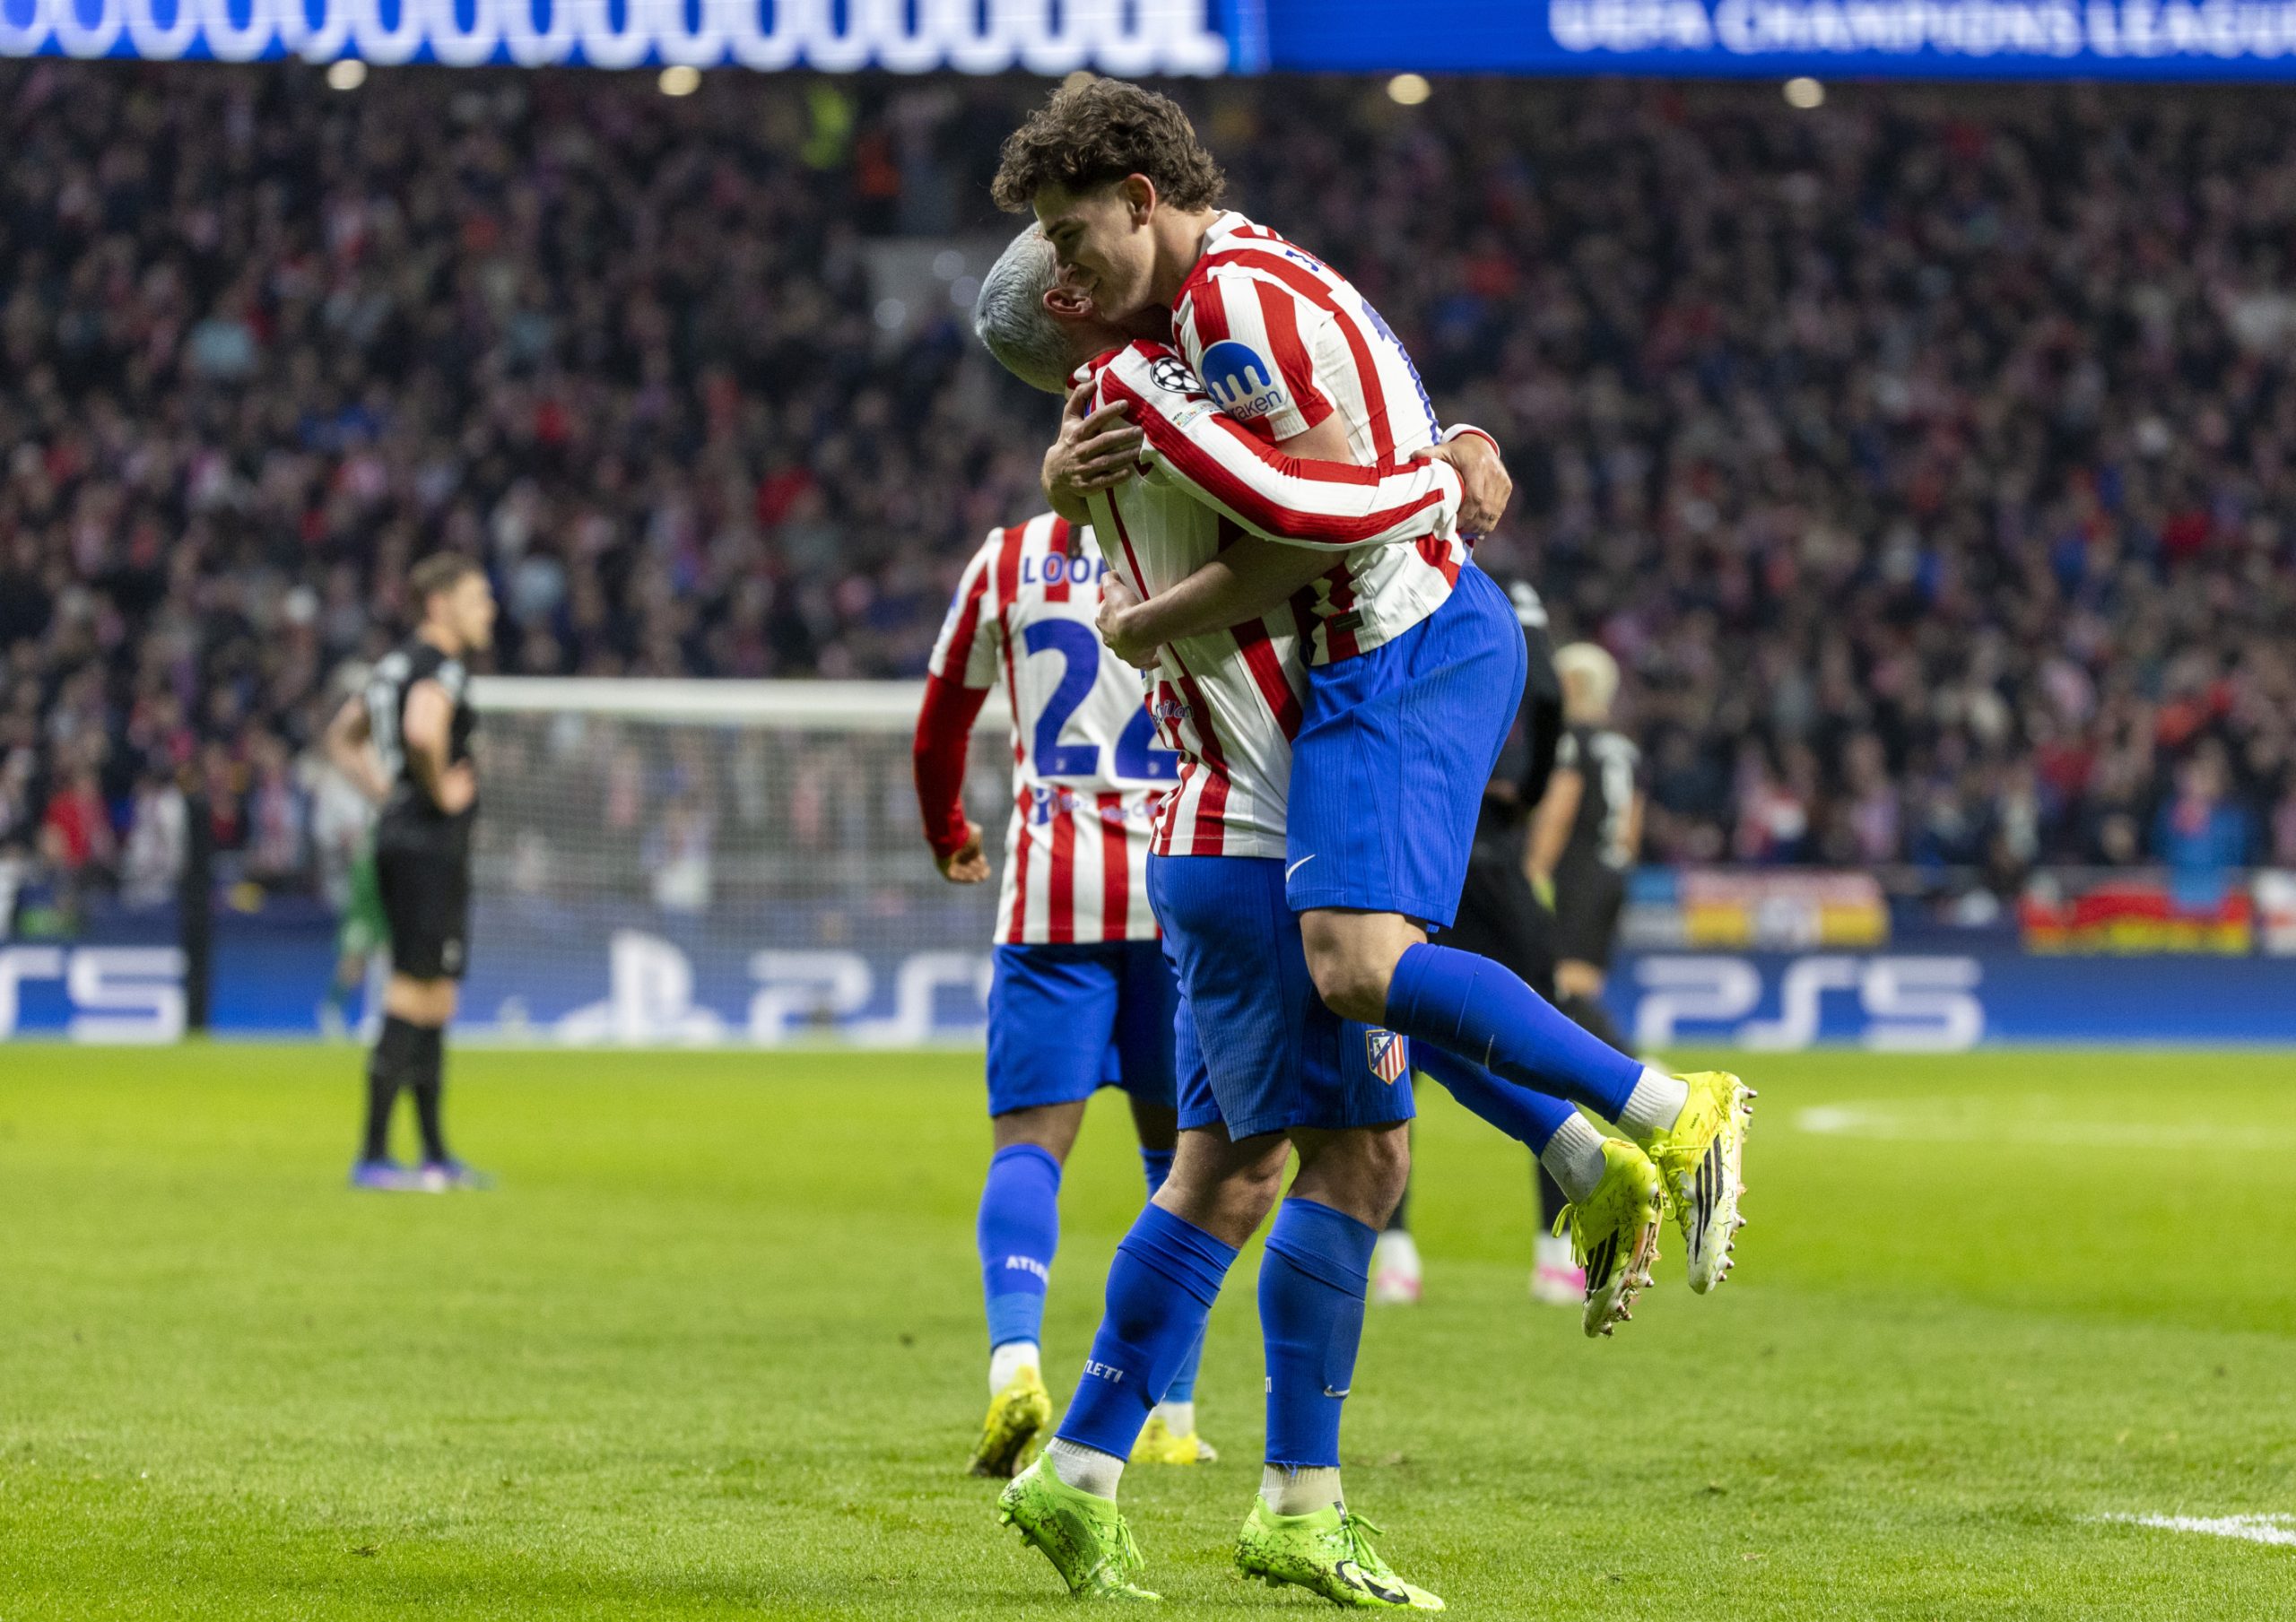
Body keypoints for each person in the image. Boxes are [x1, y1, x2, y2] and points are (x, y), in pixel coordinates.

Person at [997, 79, 1751, 1326]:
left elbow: (1303, 515)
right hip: (1319, 716)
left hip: (1354, 693)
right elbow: (1348, 422)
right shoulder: (1197, 319)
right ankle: (1587, 1154)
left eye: (1072, 237)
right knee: (1340, 1059)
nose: (1067, 266)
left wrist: (1424, 477)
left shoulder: (1200, 331)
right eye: (1059, 264)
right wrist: (1450, 448)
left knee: (1295, 1108)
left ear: (1137, 205)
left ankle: (1655, 1119)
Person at [975, 227, 1649, 1609]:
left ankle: (1084, 1471)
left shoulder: (1104, 446)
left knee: (1224, 1173)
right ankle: (1296, 1502)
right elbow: (1308, 519)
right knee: (1357, 1154)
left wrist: (1446, 430)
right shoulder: (1170, 415)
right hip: (1282, 828)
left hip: (1211, 837)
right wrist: (1435, 466)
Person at [912, 508, 1217, 1478]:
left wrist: (947, 827)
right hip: (1181, 886)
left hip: (1053, 895)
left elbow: (940, 720)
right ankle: (1170, 1414)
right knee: (1184, 1163)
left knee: (1030, 1153)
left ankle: (1015, 1364)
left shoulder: (1004, 556)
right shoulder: (1195, 537)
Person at [1369, 579, 1587, 1312]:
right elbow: (1551, 693)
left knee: (1392, 1059)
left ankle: (1394, 1254)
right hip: (1498, 860)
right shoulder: (1511, 592)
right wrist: (1525, 789)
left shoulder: (1398, 566)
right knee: (1541, 1053)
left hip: (1421, 854)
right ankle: (1556, 1255)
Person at [324, 554, 496, 1194]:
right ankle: (374, 1154)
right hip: (429, 843)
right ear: (439, 604)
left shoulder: (392, 664)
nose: (489, 610)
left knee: (436, 992)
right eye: (478, 598)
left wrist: (385, 793)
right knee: (412, 990)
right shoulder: (439, 665)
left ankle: (433, 1153)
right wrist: (434, 792)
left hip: (402, 836)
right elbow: (426, 732)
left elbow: (341, 735)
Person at [1526, 643, 1646, 1057]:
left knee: (1561, 980)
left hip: (1576, 873)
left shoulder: (1571, 741)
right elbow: (1632, 827)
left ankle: (1635, 1069)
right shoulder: (1624, 749)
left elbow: (1560, 810)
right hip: (1612, 873)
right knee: (1582, 983)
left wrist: (1535, 871)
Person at [310, 662, 388, 1041]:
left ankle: (378, 1014)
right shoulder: (338, 771)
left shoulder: (378, 755)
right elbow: (328, 830)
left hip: (385, 861)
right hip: (358, 870)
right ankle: (334, 1010)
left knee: (388, 946)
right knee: (360, 949)